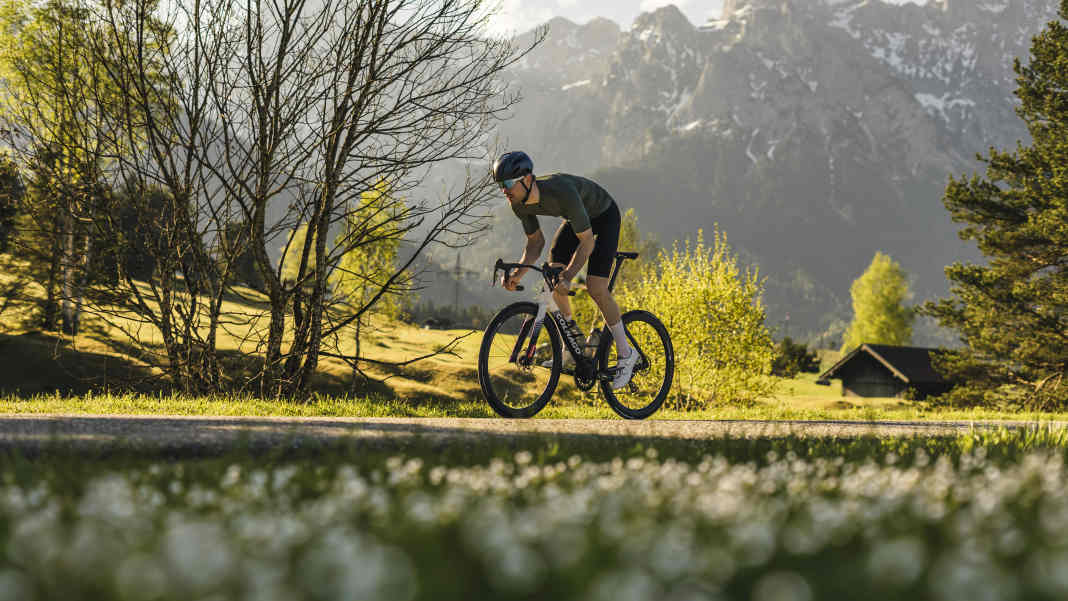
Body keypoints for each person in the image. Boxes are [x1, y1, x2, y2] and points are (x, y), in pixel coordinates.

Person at [493, 150, 637, 390]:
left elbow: (588, 242)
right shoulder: (518, 204)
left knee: (596, 287)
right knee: (552, 274)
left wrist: (569, 276)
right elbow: (535, 244)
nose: (504, 190)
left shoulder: (561, 192)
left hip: (604, 215)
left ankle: (626, 354)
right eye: (500, 185)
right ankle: (573, 344)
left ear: (527, 179)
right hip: (576, 219)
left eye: (508, 183)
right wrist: (516, 275)